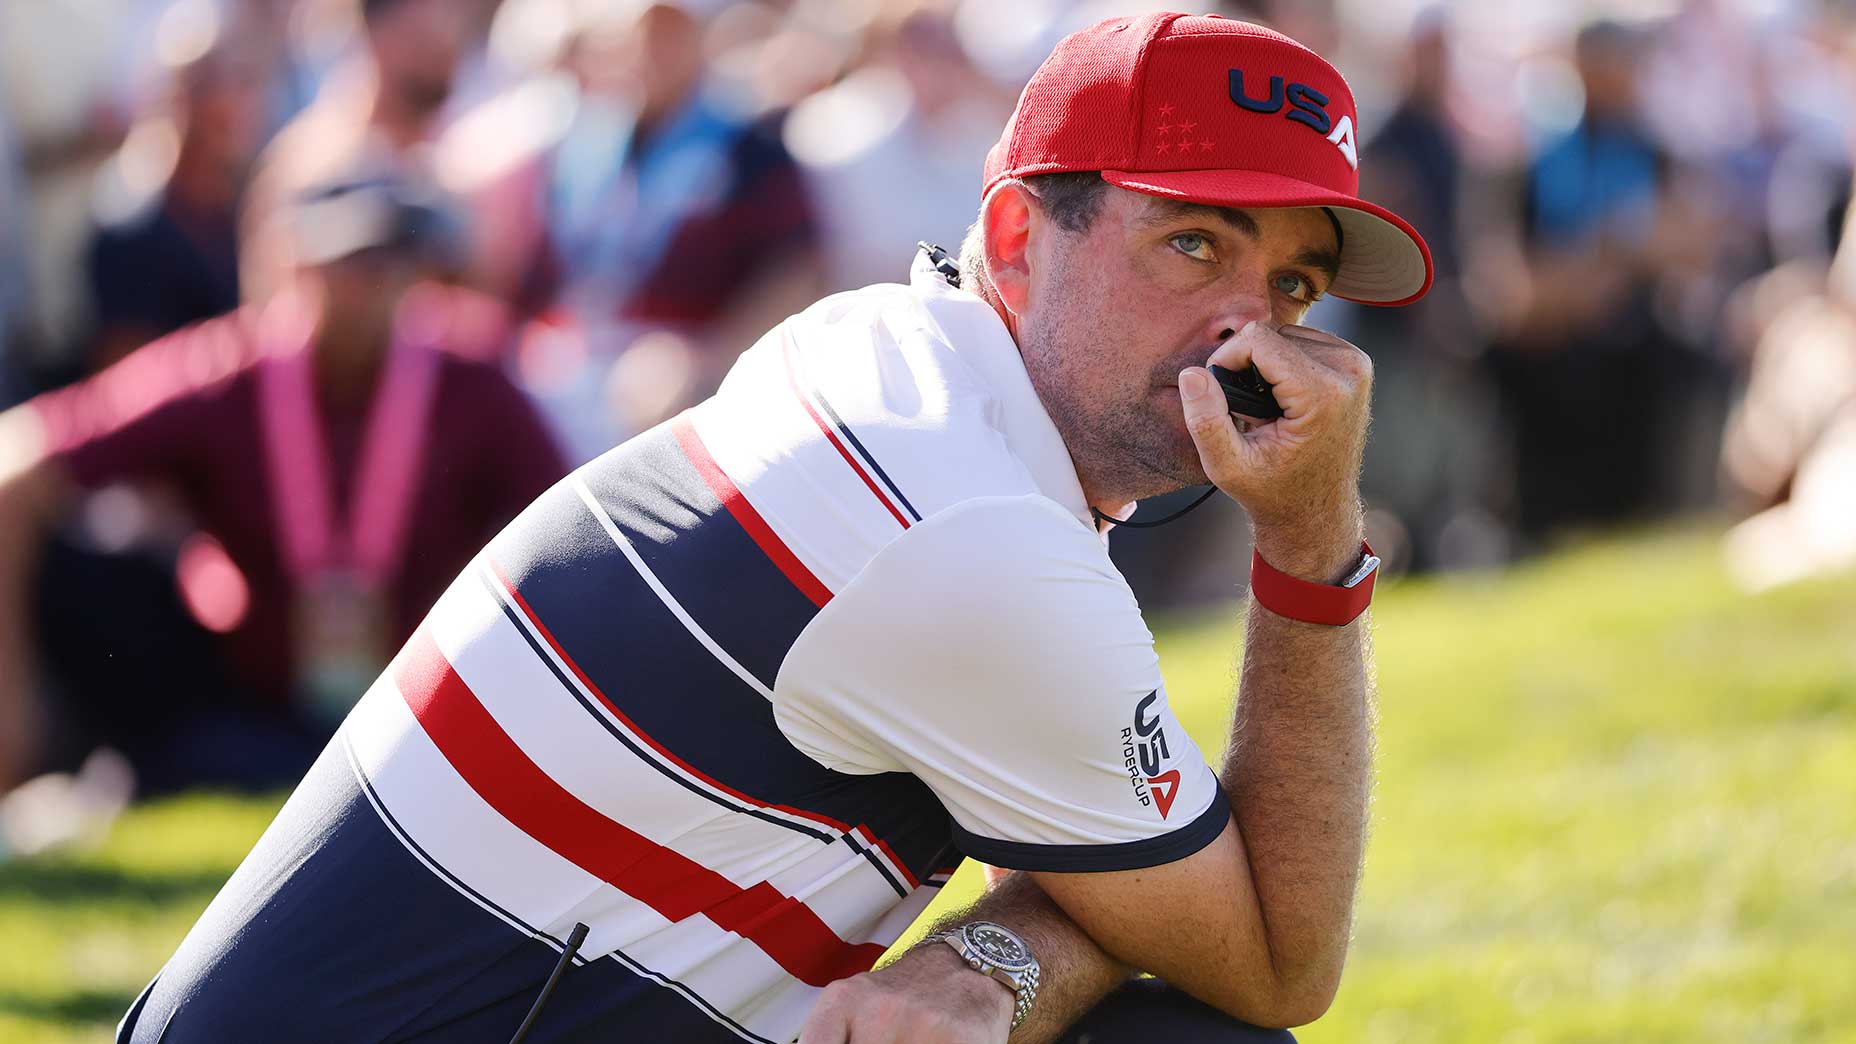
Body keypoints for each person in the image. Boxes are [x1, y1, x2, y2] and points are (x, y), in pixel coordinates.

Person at [116, 14, 1431, 1043]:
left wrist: (995, 961)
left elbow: (1146, 890)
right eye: (1194, 245)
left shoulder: (899, 361)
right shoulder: (970, 528)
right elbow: (1276, 960)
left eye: (1293, 285)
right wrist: (1309, 540)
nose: (1248, 329)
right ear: (1018, 238)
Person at [0, 178, 566, 794]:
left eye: (384, 264)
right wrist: (12, 702)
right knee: (99, 567)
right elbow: (20, 460)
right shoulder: (226, 369)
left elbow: (575, 525)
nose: (364, 288)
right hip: (246, 706)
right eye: (343, 264)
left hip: (429, 707)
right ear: (291, 264)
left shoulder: (472, 376)